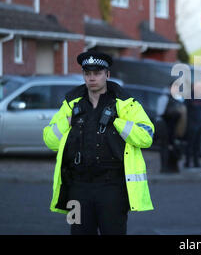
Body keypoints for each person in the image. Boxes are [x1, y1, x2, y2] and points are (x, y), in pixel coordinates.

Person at [43, 50, 155, 235]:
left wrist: (117, 121)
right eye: (88, 73)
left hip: (112, 188)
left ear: (107, 75)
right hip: (78, 188)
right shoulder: (72, 104)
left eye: (97, 73)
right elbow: (50, 140)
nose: (92, 78)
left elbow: (146, 137)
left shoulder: (126, 104)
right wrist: (67, 122)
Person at [184, 82, 201, 169]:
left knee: (197, 144)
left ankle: (196, 162)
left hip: (199, 124)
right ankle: (188, 162)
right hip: (191, 124)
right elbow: (186, 108)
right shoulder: (189, 96)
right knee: (190, 144)